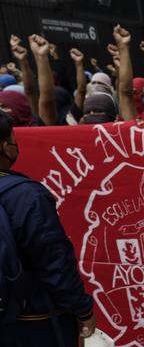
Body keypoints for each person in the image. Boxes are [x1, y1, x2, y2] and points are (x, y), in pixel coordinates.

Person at [0, 110, 98, 346]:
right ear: (6, 148)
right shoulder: (26, 196)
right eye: (13, 139)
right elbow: (56, 263)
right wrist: (83, 311)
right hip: (33, 320)